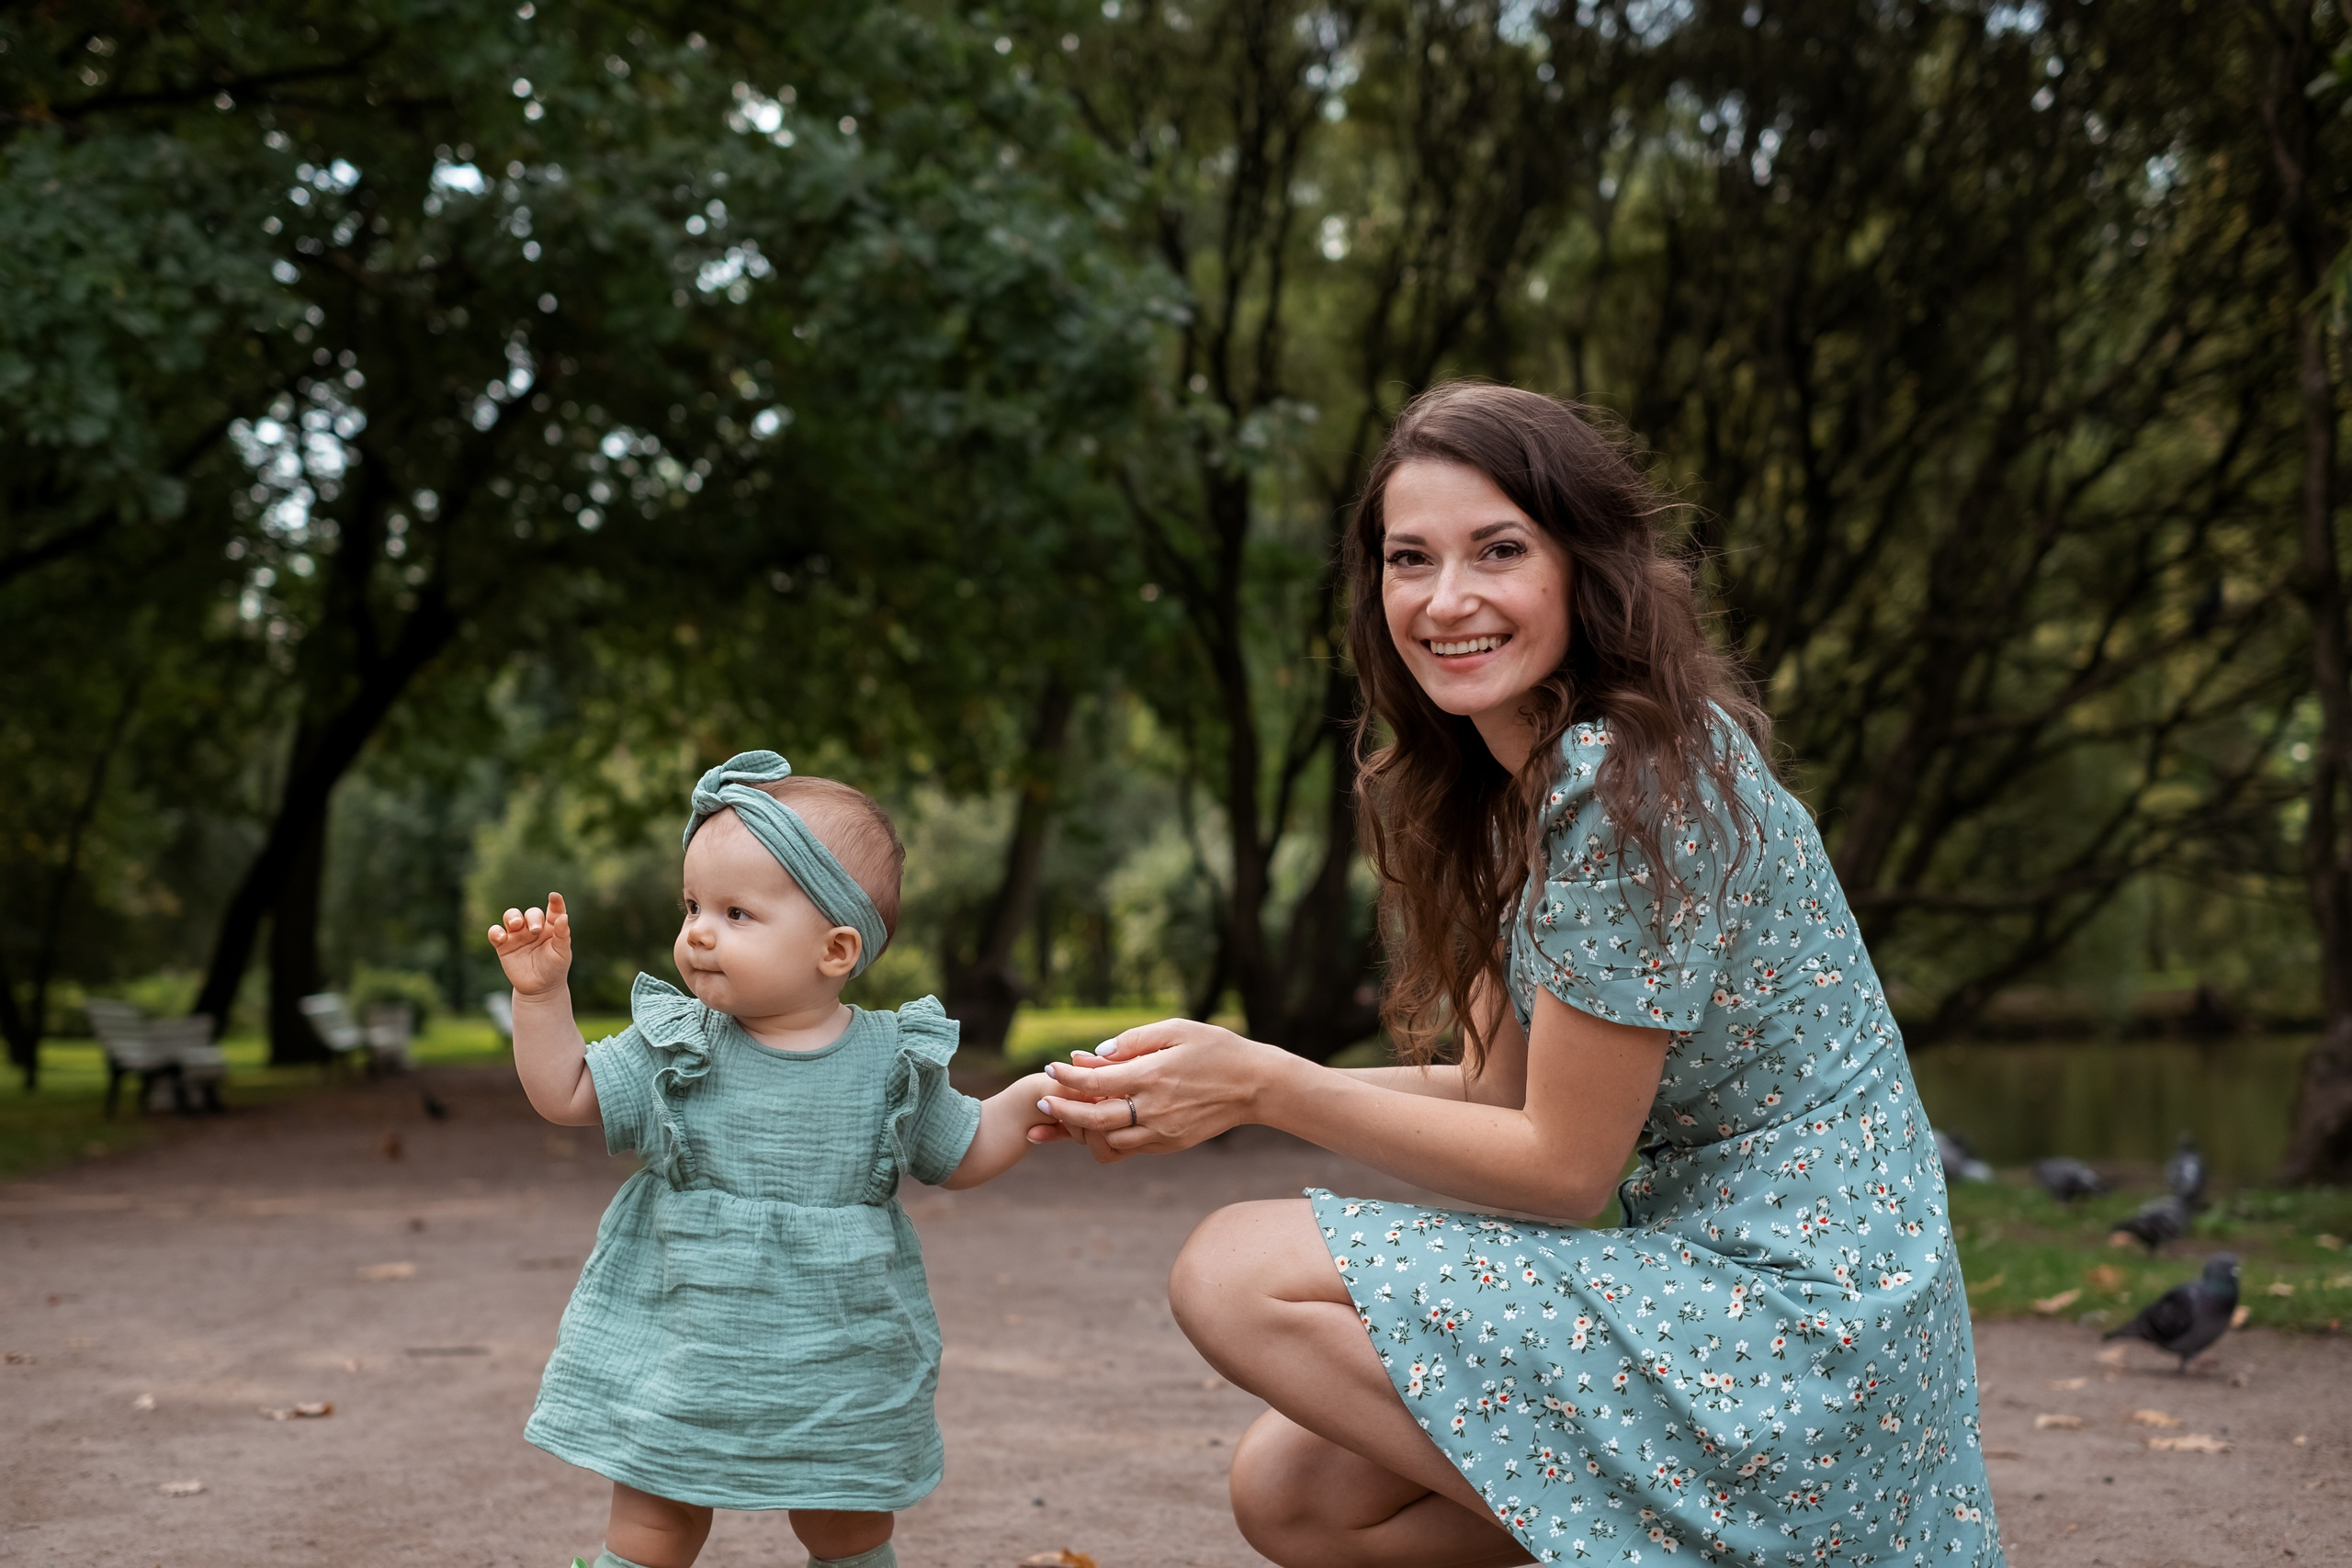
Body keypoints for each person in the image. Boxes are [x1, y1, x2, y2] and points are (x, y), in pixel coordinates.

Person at [1038, 384, 2003, 1567]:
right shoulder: (1514, 795)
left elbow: (1561, 1171)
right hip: (1715, 1294)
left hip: (1808, 1328)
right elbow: (1503, 1100)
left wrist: (1265, 1090)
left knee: (1237, 1273)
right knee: (1296, 1491)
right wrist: (1223, 1078)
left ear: (1583, 568)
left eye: (1498, 550)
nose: (1446, 599)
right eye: (1409, 559)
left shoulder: (1627, 778)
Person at [488, 751, 1063, 1568]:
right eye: (692, 905)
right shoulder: (677, 1045)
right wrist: (541, 996)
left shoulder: (891, 1061)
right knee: (656, 1518)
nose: (698, 930)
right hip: (686, 1336)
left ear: (836, 949)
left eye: (736, 912)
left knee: (846, 1521)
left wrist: (1033, 1099)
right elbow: (567, 1089)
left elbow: (961, 1146)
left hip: (837, 1348)